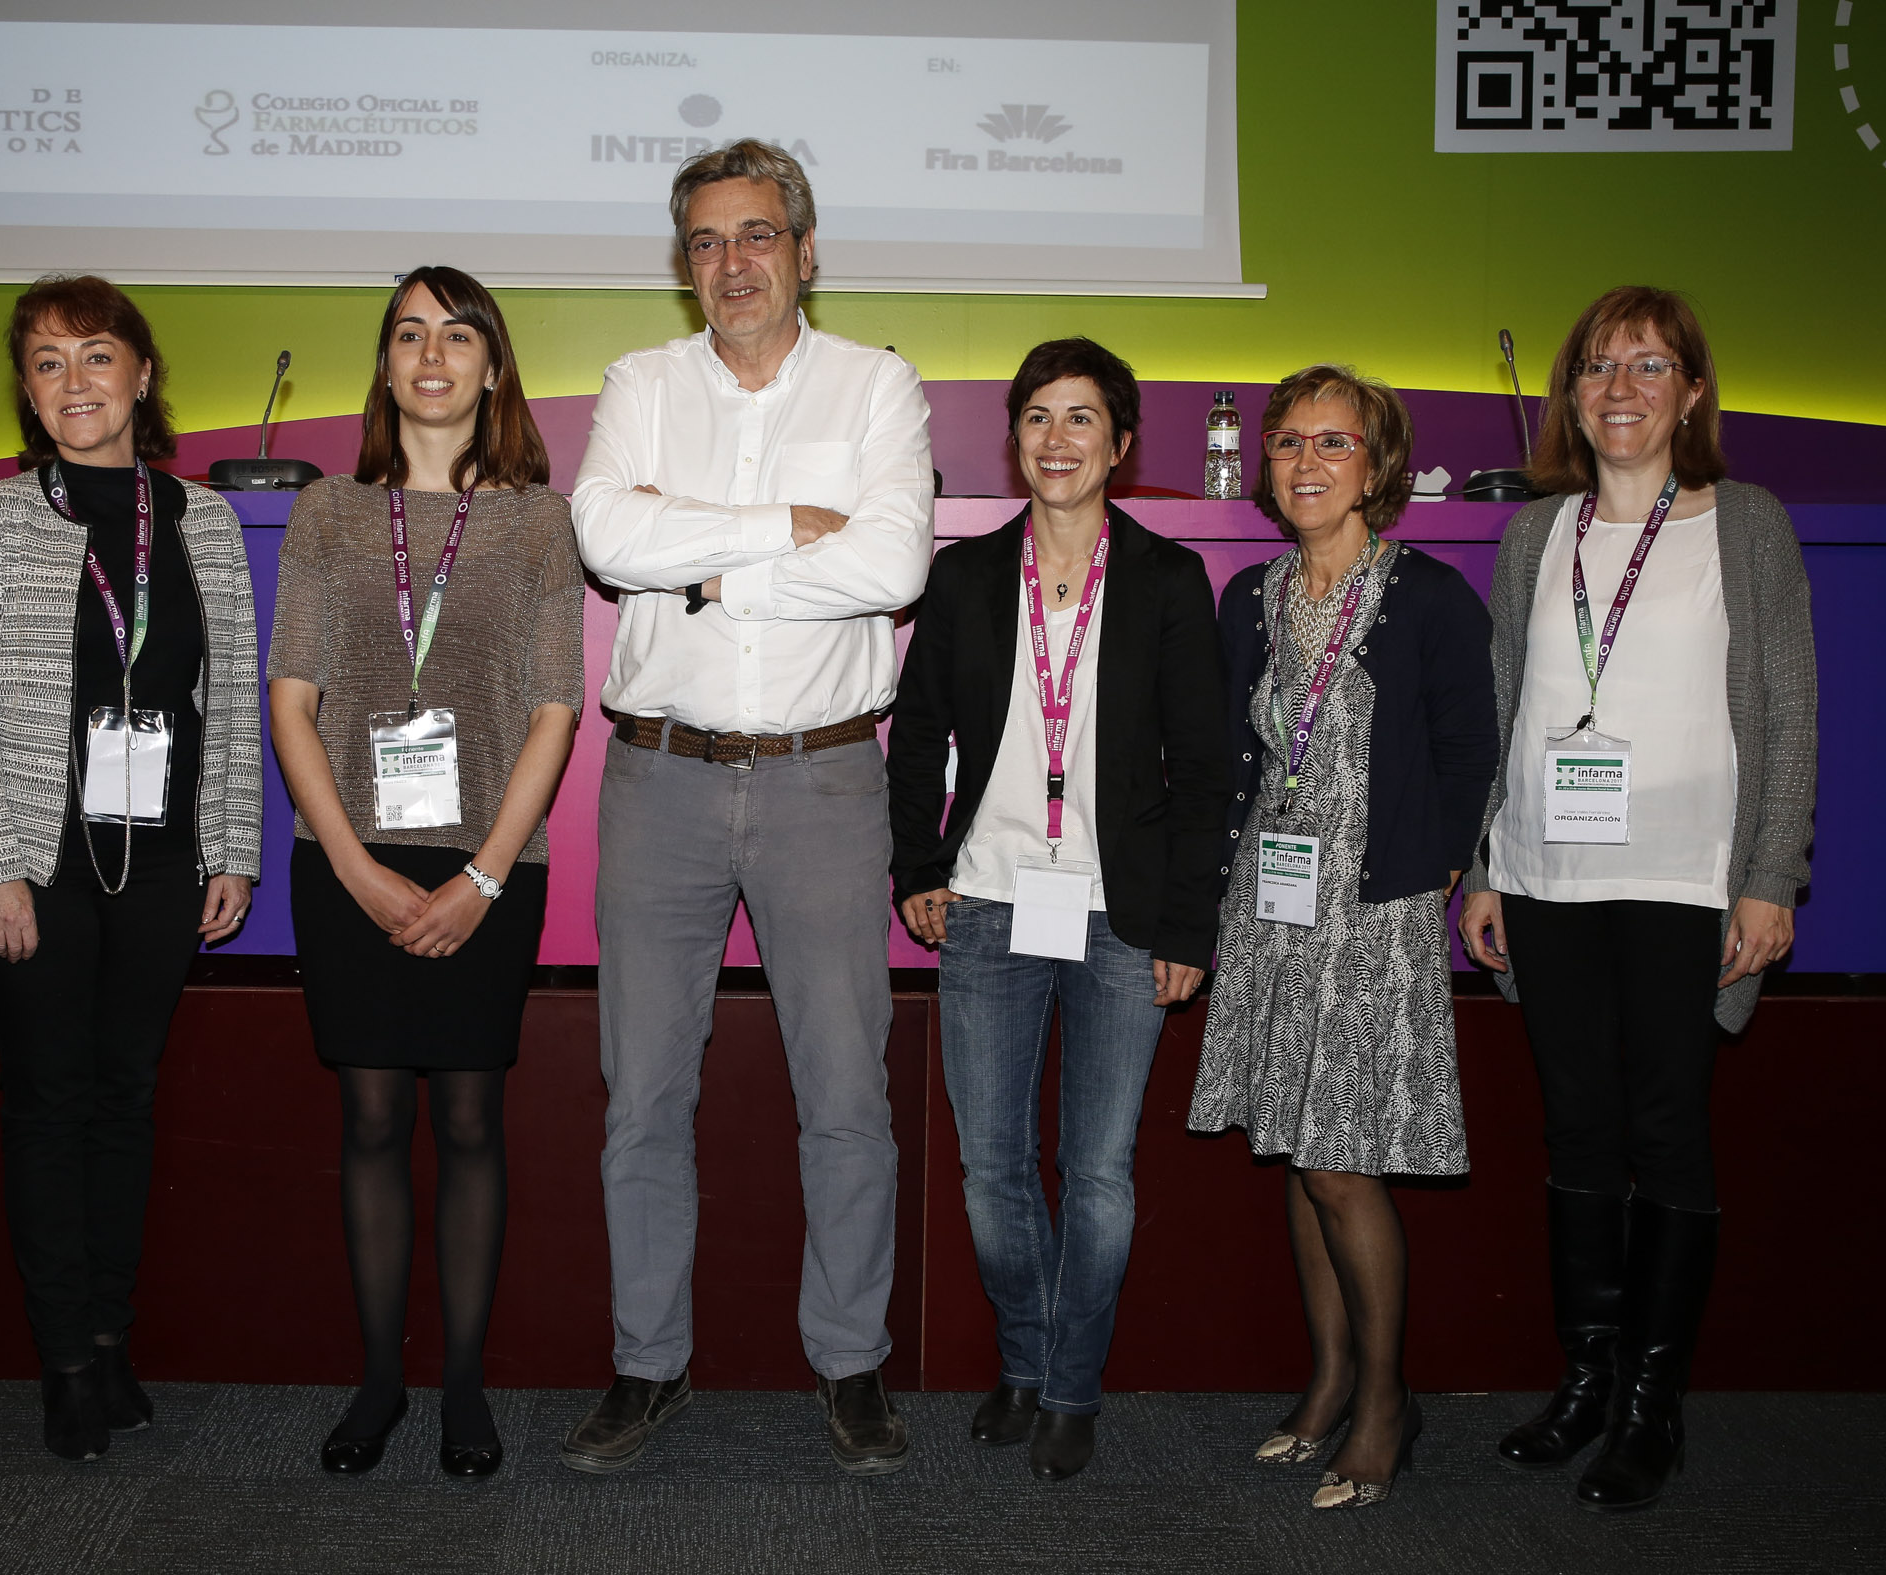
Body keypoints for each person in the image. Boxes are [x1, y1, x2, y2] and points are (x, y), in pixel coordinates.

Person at [564, 138, 934, 1476]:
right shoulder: (639, 384)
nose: (734, 262)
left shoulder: (876, 383)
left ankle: (850, 1362)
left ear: (805, 249)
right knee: (641, 1096)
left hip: (823, 779)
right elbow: (607, 538)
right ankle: (646, 1363)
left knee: (845, 1095)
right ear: (685, 263)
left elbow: (891, 564)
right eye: (708, 240)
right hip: (658, 776)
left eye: (758, 234)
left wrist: (711, 564)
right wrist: (790, 525)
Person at [1459, 286, 1815, 1513]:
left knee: (1665, 1132)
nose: (1620, 388)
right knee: (1574, 1133)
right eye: (1599, 367)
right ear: (1570, 396)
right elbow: (1504, 707)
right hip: (1548, 876)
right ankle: (1586, 1382)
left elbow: (1789, 712)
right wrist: (1487, 865)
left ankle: (1652, 1406)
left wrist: (1769, 877)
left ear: (1692, 393)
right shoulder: (1534, 535)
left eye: (1649, 365)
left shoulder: (1746, 524)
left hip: (1685, 878)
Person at [0, 274, 263, 1462]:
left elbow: (226, 700)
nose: (75, 382)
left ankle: (111, 1337)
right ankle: (65, 1357)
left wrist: (231, 848)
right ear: (29, 393)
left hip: (162, 861)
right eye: (48, 363)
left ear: (142, 374)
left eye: (97, 356)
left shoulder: (203, 521)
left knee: (123, 1101)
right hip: (31, 862)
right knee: (48, 1101)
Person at [888, 339, 1230, 1481]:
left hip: (1122, 915)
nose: (1057, 438)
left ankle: (1073, 1386)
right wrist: (916, 867)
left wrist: (1188, 928)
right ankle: (1026, 1363)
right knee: (992, 1168)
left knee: (1098, 1171)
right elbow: (917, 735)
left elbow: (1204, 770)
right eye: (1037, 415)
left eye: (1082, 417)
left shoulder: (1168, 580)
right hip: (987, 903)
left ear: (1119, 442)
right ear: (1014, 438)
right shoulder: (967, 577)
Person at [267, 266, 583, 1478]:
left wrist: (484, 880)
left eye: (457, 335)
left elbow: (554, 710)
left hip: (486, 864)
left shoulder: (540, 523)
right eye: (409, 335)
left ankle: (460, 1388)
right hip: (346, 857)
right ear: (386, 366)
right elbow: (292, 701)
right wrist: (352, 867)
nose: (433, 355)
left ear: (492, 367)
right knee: (369, 1116)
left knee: (466, 1117)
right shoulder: (328, 513)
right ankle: (379, 1384)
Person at [1188, 365, 1498, 1510]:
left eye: (1334, 443)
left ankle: (1383, 1403)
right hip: (1270, 902)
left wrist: (1442, 873)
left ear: (1378, 468)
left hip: (1374, 909)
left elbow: (1470, 750)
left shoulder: (1429, 597)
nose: (1307, 463)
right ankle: (1325, 1384)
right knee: (1294, 1138)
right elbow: (1234, 753)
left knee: (1338, 1159)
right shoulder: (1249, 597)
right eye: (1288, 443)